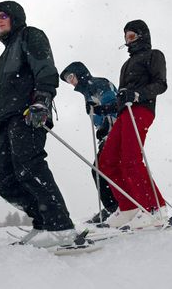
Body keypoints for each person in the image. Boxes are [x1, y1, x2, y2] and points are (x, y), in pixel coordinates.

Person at [0, 1, 78, 248]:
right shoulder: (4, 56)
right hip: (7, 122)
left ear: (15, 17)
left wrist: (42, 102)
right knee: (2, 178)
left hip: (28, 115)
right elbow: (2, 99)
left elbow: (45, 70)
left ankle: (61, 226)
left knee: (28, 167)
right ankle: (43, 221)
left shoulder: (30, 36)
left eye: (2, 16)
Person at [97, 19, 168, 229]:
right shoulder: (126, 64)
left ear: (142, 36)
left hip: (141, 109)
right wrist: (107, 109)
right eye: (126, 37)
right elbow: (122, 96)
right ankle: (129, 207)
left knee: (130, 158)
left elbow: (161, 84)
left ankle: (155, 207)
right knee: (107, 161)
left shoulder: (155, 55)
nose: (128, 42)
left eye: (132, 36)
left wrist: (138, 94)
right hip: (124, 113)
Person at [60, 62, 119, 223]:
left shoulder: (98, 84)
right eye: (67, 80)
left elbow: (112, 103)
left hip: (114, 131)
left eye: (71, 76)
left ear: (80, 73)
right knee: (102, 170)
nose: (70, 81)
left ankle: (115, 208)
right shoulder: (87, 92)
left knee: (100, 170)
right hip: (106, 134)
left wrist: (107, 126)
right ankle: (116, 207)